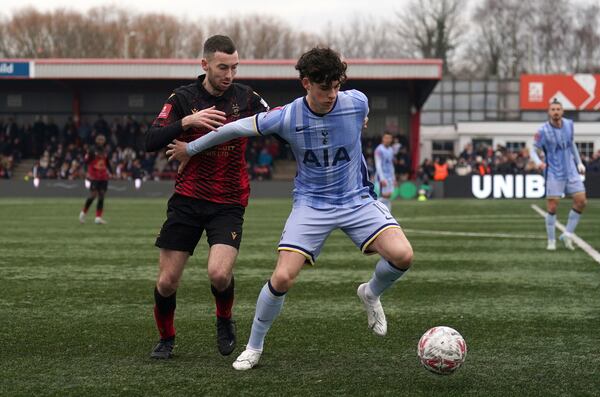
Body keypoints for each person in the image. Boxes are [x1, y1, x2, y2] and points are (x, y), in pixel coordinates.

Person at [166, 47, 413, 371]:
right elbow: (234, 128)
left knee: (403, 255)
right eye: (325, 88)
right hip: (311, 205)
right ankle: (254, 347)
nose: (332, 95)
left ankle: (370, 294)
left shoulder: (357, 102)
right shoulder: (287, 117)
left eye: (337, 86)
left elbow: (359, 114)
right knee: (282, 277)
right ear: (306, 83)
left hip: (356, 199)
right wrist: (191, 148)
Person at [143, 35, 268, 359]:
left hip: (228, 201)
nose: (229, 74)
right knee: (167, 281)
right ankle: (166, 339)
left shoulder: (247, 97)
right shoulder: (183, 98)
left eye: (234, 67)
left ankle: (224, 319)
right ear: (205, 65)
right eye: (223, 67)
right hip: (187, 200)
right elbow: (150, 140)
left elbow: (281, 120)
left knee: (219, 273)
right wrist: (187, 121)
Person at [530, 98, 587, 251]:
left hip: (571, 171)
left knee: (581, 201)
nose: (556, 112)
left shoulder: (569, 124)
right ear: (549, 112)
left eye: (558, 109)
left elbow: (571, 143)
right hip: (554, 172)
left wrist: (579, 162)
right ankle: (551, 240)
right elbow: (533, 150)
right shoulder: (542, 130)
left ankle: (567, 234)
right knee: (553, 207)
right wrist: (538, 162)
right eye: (553, 109)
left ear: (562, 111)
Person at [79, 134, 112, 224]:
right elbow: (86, 162)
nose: (101, 141)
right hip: (94, 175)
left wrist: (111, 172)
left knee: (101, 195)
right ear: (96, 140)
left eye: (102, 139)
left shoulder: (105, 151)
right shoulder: (92, 150)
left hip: (103, 176)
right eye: (99, 139)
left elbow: (107, 162)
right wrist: (86, 172)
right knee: (93, 195)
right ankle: (83, 213)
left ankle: (98, 218)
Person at [374, 132, 396, 210]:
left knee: (389, 197)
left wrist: (394, 178)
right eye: (386, 138)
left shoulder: (391, 149)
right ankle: (373, 208)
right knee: (383, 196)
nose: (388, 140)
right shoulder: (379, 149)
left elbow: (391, 164)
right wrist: (382, 178)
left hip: (389, 177)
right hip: (382, 177)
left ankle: (389, 216)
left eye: (389, 138)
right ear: (383, 139)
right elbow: (378, 165)